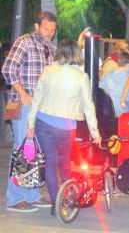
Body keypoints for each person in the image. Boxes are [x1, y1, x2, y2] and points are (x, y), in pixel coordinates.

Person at [26, 38, 102, 216]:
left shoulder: (48, 70)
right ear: (77, 53)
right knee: (64, 162)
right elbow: (88, 107)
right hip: (66, 126)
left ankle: (55, 202)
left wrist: (30, 125)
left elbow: (36, 100)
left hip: (43, 122)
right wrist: (95, 133)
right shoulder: (81, 77)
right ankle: (67, 197)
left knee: (50, 162)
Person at [2, 11, 57, 213]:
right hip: (25, 106)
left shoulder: (49, 47)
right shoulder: (25, 42)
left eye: (52, 30)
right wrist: (23, 93)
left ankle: (32, 195)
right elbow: (8, 69)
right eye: (46, 29)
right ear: (36, 26)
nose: (49, 33)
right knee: (23, 150)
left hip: (43, 108)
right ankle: (15, 199)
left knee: (36, 152)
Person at [99, 52, 129, 117]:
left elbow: (100, 88)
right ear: (128, 66)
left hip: (109, 112)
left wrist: (107, 91)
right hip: (124, 112)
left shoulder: (108, 75)